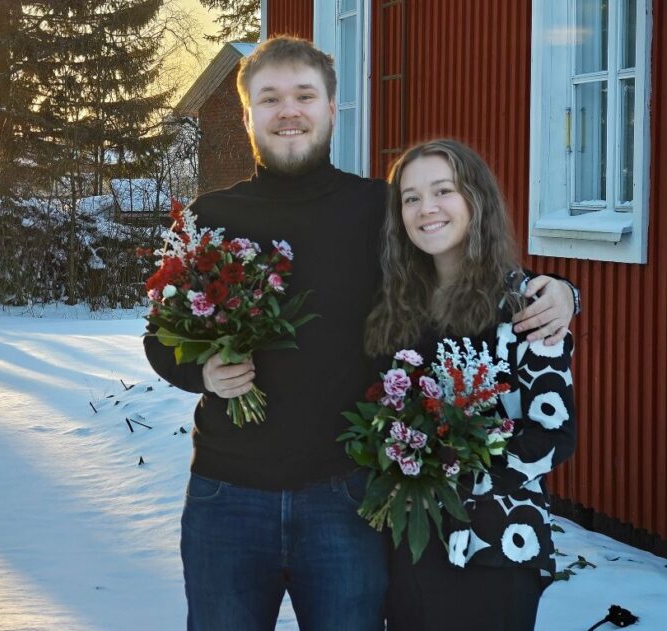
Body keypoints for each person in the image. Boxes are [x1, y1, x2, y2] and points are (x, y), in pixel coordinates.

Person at [142, 36, 578, 631]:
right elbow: (161, 337)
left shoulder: (380, 210)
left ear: (331, 109)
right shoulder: (211, 217)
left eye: (304, 95)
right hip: (228, 495)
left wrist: (556, 289)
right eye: (270, 98)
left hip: (348, 496)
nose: (288, 111)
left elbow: (456, 262)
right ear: (248, 115)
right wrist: (201, 371)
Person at [366, 139, 576, 631]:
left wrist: (449, 471)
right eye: (411, 198)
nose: (427, 208)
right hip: (409, 545)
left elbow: (554, 435)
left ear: (475, 200)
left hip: (496, 547)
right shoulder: (396, 306)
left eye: (443, 190)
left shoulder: (527, 305)